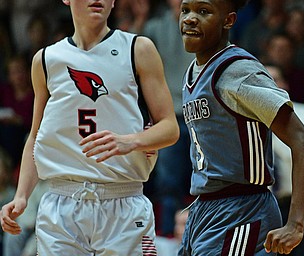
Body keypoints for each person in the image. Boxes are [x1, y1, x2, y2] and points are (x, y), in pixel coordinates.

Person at [0, 1, 179, 255]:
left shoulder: (138, 49)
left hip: (123, 202)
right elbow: (36, 136)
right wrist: (21, 196)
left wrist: (131, 140)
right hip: (62, 205)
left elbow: (171, 128)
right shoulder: (45, 60)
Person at [178, 0, 304, 255]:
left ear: (228, 21)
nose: (190, 18)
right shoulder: (194, 71)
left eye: (204, 11)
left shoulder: (238, 71)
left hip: (243, 211)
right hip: (204, 210)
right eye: (186, 9)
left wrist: (296, 224)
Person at [142, 0, 194, 236]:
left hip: (199, 114)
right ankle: (165, 238)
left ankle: (203, 237)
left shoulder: (202, 23)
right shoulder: (154, 28)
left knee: (205, 180)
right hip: (167, 115)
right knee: (167, 183)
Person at [266, 64, 304, 255]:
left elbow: (299, 152)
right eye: (265, 80)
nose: (269, 85)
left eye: (275, 80)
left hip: (303, 200)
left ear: (285, 85)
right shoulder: (253, 120)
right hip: (269, 201)